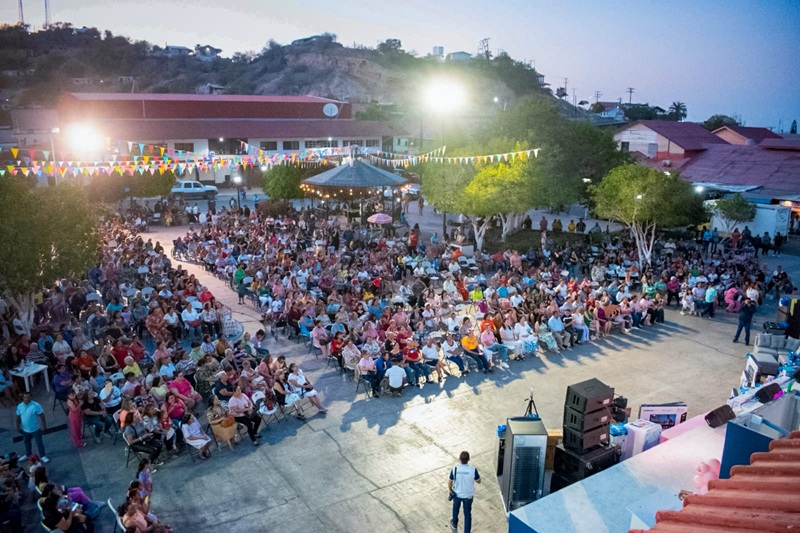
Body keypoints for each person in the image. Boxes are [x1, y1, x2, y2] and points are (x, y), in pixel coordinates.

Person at [449, 450, 480, 533]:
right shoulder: (473, 470)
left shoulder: (455, 469)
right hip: (468, 496)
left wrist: (451, 490)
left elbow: (450, 482)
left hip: (457, 495)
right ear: (468, 459)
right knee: (467, 515)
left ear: (459, 459)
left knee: (455, 510)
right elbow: (478, 481)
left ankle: (454, 525)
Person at [16, 391, 48, 462]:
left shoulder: (36, 405)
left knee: (39, 443)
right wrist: (18, 427)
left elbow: (42, 416)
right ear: (23, 398)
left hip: (35, 429)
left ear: (31, 397)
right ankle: (28, 454)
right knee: (26, 442)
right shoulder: (19, 406)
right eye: (25, 397)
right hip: (25, 429)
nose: (26, 399)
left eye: (28, 397)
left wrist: (44, 426)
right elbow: (18, 417)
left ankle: (42, 456)